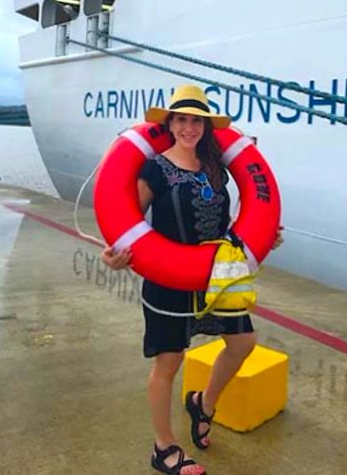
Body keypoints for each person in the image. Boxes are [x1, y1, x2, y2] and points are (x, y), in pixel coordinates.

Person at [102, 84, 283, 475]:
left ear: (205, 125)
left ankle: (203, 403)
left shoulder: (216, 167)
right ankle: (163, 446)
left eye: (196, 120)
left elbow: (233, 219)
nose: (189, 127)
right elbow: (126, 222)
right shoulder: (154, 170)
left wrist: (265, 235)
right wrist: (115, 257)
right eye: (181, 119)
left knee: (242, 342)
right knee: (169, 362)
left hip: (215, 277)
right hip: (168, 276)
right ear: (170, 123)